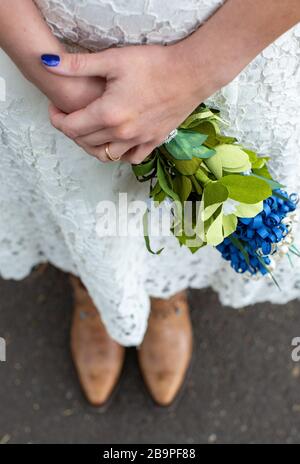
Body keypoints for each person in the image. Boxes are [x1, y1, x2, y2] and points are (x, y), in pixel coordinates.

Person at [0, 0, 299, 407]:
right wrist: (48, 72)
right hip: (38, 45)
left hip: (230, 43)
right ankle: (93, 287)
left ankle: (165, 290)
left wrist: (195, 69)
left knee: (194, 206)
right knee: (71, 201)